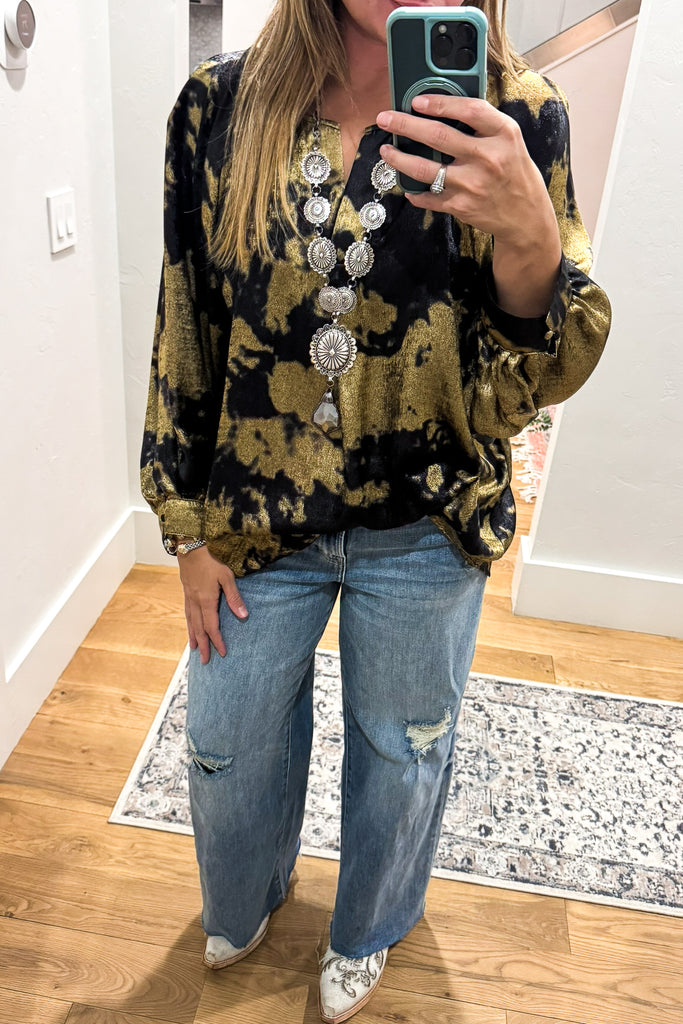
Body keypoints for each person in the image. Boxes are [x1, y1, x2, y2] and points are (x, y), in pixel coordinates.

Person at [141, 1, 611, 1020]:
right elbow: (188, 319)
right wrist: (184, 524)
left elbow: (522, 388)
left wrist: (530, 239)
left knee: (404, 750)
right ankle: (248, 893)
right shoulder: (221, 106)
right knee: (225, 746)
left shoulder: (519, 112)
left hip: (427, 520)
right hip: (255, 514)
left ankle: (369, 923)